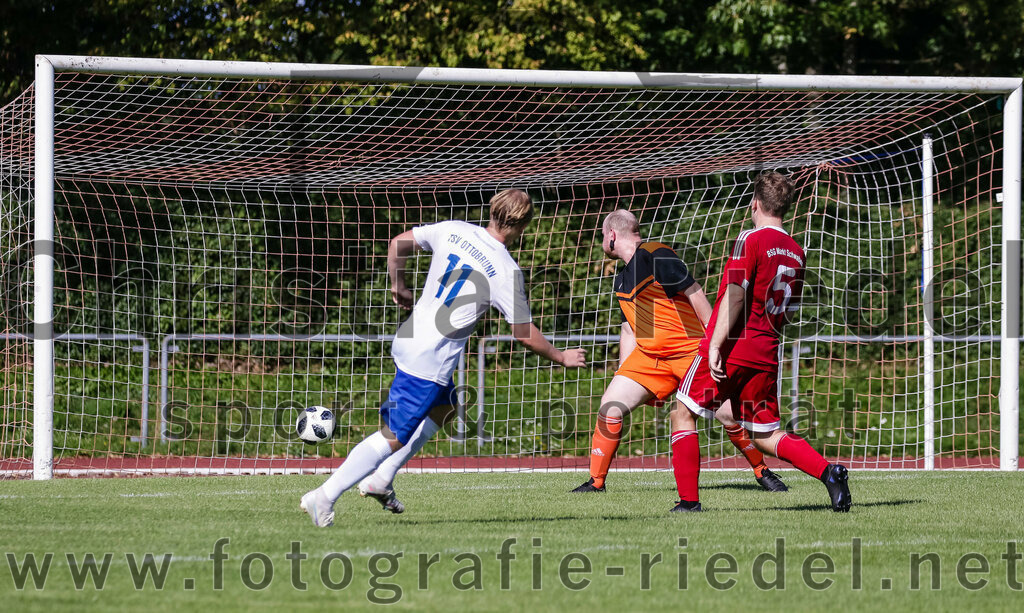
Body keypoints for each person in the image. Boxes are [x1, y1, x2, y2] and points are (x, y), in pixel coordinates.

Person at [301, 189, 586, 526]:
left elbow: (397, 244)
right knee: (393, 435)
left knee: (447, 405)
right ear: (523, 226)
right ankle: (325, 496)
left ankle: (381, 479)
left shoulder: (454, 229)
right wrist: (561, 356)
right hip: (429, 359)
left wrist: (399, 285)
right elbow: (523, 333)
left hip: (408, 337)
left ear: (492, 210)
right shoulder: (506, 270)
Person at [570, 209, 788, 494]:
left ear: (611, 235)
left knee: (728, 416)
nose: (601, 242)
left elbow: (695, 294)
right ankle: (596, 483)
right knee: (610, 406)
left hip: (689, 352)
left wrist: (715, 346)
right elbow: (631, 330)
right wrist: (626, 373)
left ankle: (762, 471)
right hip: (650, 358)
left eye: (601, 236)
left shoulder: (655, 253)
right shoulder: (622, 278)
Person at [671, 171, 851, 513]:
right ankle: (829, 473)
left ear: (755, 203)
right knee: (765, 435)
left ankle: (689, 503)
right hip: (767, 349)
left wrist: (714, 345)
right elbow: (789, 309)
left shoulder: (749, 239)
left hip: (734, 346)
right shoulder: (797, 252)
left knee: (683, 412)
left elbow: (735, 297)